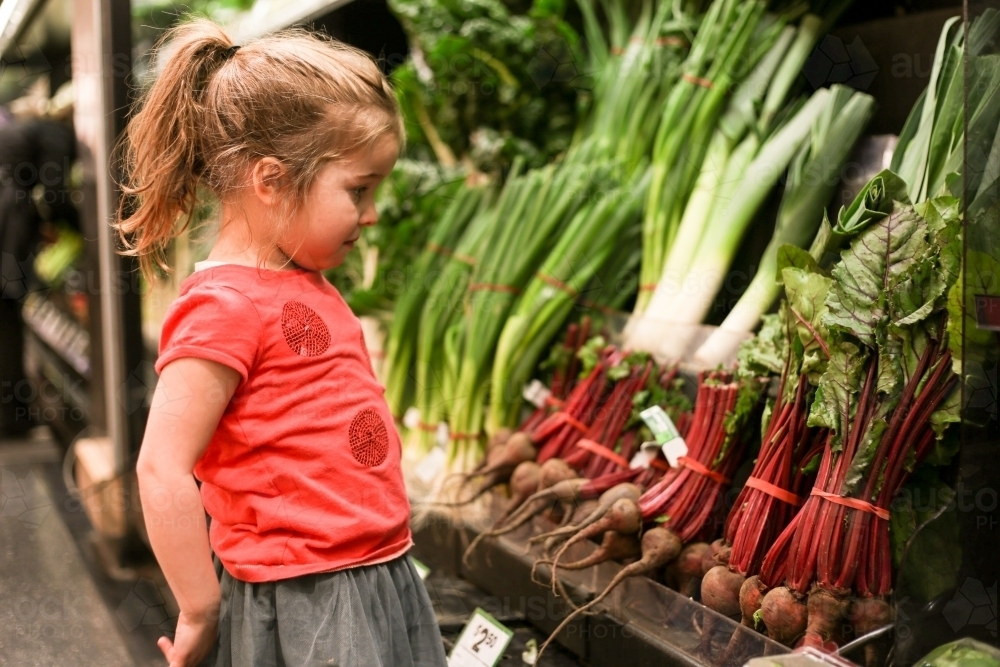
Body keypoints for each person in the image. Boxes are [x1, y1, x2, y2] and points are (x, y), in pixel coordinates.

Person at [116, 20, 446, 667]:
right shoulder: (223, 306)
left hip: (373, 572)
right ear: (270, 180)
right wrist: (197, 605)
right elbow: (160, 466)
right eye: (359, 189)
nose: (372, 213)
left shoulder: (305, 279)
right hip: (307, 595)